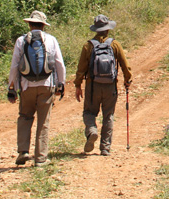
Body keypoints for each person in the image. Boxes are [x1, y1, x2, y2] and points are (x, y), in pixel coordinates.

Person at [8, 11, 66, 167]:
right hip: (46, 86)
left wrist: (11, 87)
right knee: (43, 121)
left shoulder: (21, 41)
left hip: (26, 86)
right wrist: (61, 83)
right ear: (43, 25)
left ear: (29, 24)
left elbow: (14, 65)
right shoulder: (51, 40)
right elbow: (59, 63)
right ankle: (40, 158)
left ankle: (23, 151)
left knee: (25, 116)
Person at [74, 15, 132, 156]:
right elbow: (125, 65)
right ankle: (105, 148)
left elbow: (81, 69)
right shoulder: (115, 45)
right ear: (107, 29)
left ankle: (92, 130)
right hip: (110, 86)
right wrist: (127, 80)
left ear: (96, 29)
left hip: (93, 86)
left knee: (89, 112)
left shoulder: (88, 46)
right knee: (108, 115)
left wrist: (77, 85)